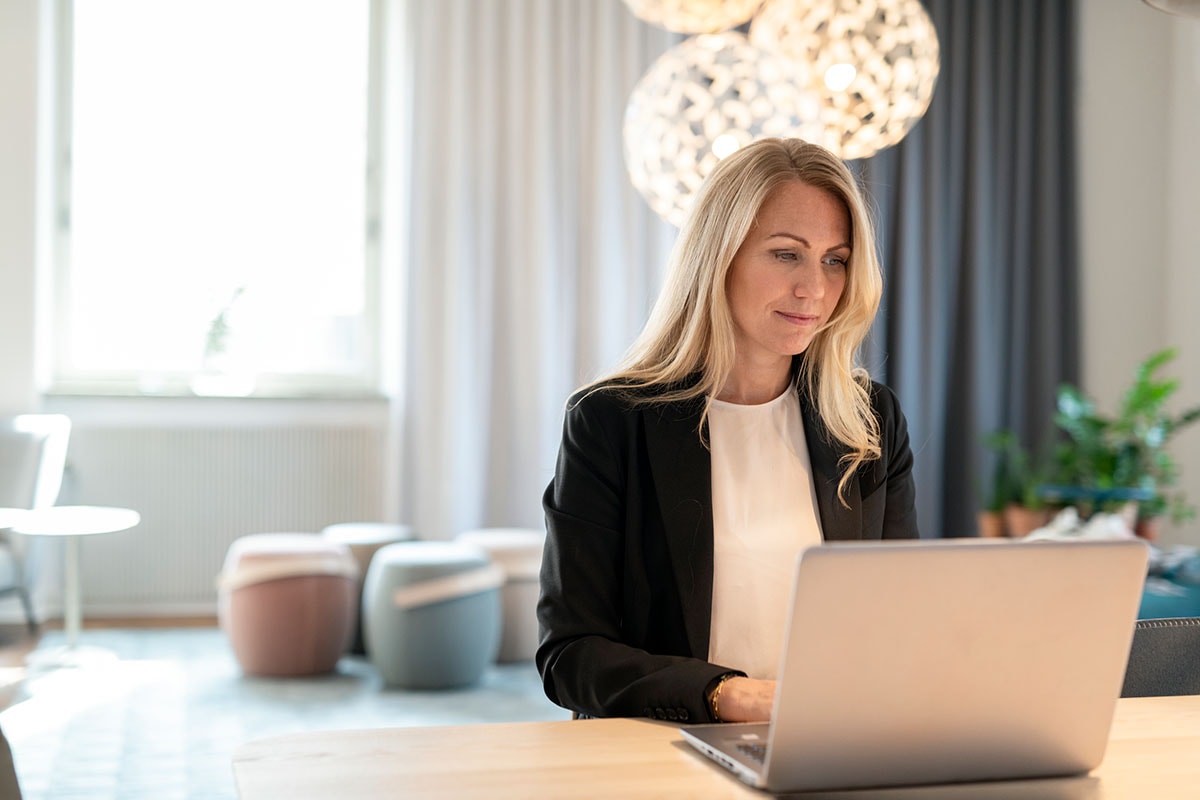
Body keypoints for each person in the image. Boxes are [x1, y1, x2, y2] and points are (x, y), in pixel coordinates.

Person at [536, 138, 919, 725]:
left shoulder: (870, 421)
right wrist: (726, 694)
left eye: (835, 259)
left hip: (831, 740)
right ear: (720, 256)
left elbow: (898, 620)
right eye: (787, 254)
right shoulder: (609, 421)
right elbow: (569, 654)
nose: (814, 289)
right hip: (663, 750)